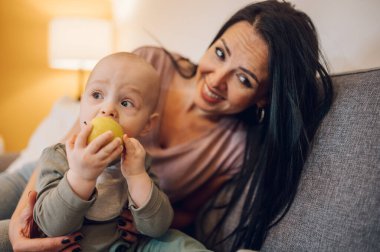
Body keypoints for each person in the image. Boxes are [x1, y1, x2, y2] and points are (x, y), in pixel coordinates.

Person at [2, 1, 333, 251]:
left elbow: (184, 214)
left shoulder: (236, 148)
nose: (217, 80)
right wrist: (23, 219)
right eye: (219, 53)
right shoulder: (150, 65)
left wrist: (142, 222)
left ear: (264, 97)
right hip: (45, 180)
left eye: (244, 78)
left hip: (108, 221)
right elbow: (65, 145)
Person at [32, 52, 210, 251]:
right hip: (73, 246)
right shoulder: (57, 156)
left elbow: (157, 227)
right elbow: (51, 226)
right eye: (97, 95)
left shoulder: (138, 161)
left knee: (180, 242)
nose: (108, 109)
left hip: (126, 246)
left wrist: (137, 176)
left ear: (146, 125)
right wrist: (81, 176)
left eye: (126, 103)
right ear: (82, 102)